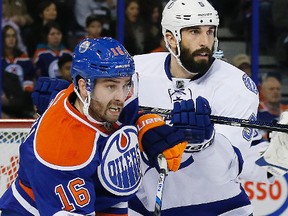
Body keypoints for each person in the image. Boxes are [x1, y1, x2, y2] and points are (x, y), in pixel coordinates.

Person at [127, 0, 288, 215]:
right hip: (143, 206)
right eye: (194, 32)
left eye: (210, 32)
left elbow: (226, 171)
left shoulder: (236, 85)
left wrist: (207, 143)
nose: (205, 41)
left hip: (218, 208)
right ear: (170, 38)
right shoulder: (136, 70)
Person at [0, 37, 189, 215]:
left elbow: (127, 113)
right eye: (110, 86)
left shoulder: (99, 98)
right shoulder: (61, 151)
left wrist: (145, 125)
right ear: (84, 86)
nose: (121, 97)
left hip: (99, 196)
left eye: (126, 84)